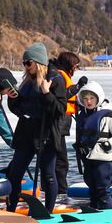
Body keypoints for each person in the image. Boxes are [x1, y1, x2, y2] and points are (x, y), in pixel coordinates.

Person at [4, 44, 68, 210]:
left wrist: (47, 94)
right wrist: (12, 99)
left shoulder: (55, 80)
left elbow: (60, 110)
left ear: (38, 63)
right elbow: (19, 109)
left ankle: (48, 211)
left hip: (45, 133)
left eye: (29, 62)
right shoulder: (26, 82)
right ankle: (11, 208)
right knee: (15, 173)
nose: (26, 66)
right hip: (26, 131)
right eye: (24, 62)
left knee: (48, 174)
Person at [73, 81, 112, 212]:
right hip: (88, 158)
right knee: (92, 189)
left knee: (102, 189)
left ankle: (107, 215)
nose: (88, 101)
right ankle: (94, 211)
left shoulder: (108, 116)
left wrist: (109, 144)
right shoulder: (82, 116)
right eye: (85, 98)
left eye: (92, 98)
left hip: (103, 159)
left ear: (98, 98)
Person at [49, 51, 82, 201]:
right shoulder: (60, 76)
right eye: (75, 66)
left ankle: (57, 188)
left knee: (59, 158)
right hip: (58, 122)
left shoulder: (59, 74)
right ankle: (60, 191)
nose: (76, 69)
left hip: (62, 121)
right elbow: (62, 95)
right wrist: (76, 88)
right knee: (60, 160)